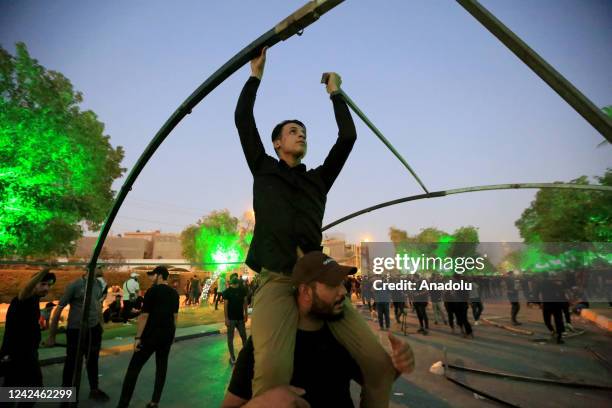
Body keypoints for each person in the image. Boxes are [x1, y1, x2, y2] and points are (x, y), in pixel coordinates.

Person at [235, 47, 396, 405]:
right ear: (278, 142)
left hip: (319, 279)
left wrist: (335, 93)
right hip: (277, 279)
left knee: (380, 366)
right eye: (293, 131)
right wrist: (255, 76)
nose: (301, 135)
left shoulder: (318, 180)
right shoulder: (263, 167)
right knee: (273, 384)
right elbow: (243, 119)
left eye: (304, 132)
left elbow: (348, 139)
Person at [222, 252, 415, 408]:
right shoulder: (267, 345)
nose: (344, 291)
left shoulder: (343, 337)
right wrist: (261, 404)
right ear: (306, 292)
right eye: (333, 285)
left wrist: (397, 366)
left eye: (341, 283)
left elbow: (372, 379)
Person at [117, 265, 180, 408]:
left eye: (152, 275)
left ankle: (123, 404)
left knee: (134, 368)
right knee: (161, 368)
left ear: (159, 275)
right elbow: (175, 317)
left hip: (150, 336)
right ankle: (154, 402)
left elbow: (144, 316)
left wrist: (138, 338)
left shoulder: (152, 291)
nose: (151, 278)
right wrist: (172, 335)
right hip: (167, 335)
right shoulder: (174, 294)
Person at [47, 270, 110, 402]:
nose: (103, 268)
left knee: (92, 361)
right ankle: (66, 395)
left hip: (93, 329)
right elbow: (58, 309)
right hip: (76, 330)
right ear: (90, 267)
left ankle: (94, 390)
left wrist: (100, 325)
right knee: (72, 363)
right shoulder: (75, 285)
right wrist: (52, 336)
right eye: (100, 265)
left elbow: (97, 305)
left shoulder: (98, 284)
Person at [1, 269, 55, 398]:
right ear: (34, 283)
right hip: (17, 353)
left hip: (28, 352)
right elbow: (26, 289)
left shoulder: (35, 300)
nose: (46, 288)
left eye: (49, 285)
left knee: (14, 389)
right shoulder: (23, 299)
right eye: (42, 284)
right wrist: (45, 269)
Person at [224, 273, 249, 365]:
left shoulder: (228, 291)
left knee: (233, 338)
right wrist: (246, 314)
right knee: (242, 337)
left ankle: (235, 357)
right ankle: (240, 357)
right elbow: (245, 303)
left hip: (234, 319)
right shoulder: (240, 291)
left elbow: (226, 306)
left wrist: (226, 318)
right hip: (236, 319)